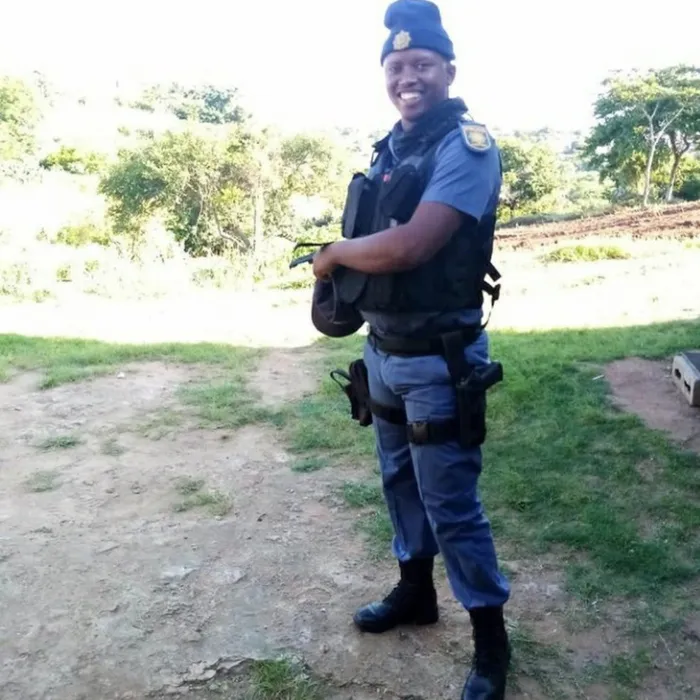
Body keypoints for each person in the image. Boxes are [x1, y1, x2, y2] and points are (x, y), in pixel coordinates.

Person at [310, 1, 511, 698]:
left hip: (439, 359)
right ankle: (415, 592)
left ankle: (490, 642)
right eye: (396, 67)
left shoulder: (468, 147)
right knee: (399, 482)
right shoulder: (389, 150)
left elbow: (414, 244)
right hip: (384, 351)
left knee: (450, 501)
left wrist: (333, 254)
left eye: (421, 64)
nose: (408, 77)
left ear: (449, 70)